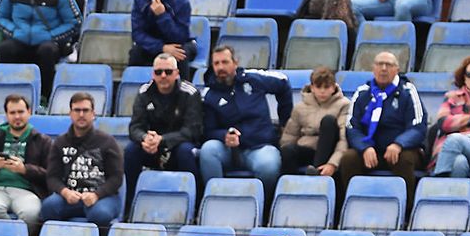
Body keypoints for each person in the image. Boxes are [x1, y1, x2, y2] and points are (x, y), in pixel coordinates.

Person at [196, 44, 291, 201]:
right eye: (216, 63)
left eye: (225, 62)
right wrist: (224, 136)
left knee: (268, 165)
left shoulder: (252, 79)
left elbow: (283, 82)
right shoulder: (209, 95)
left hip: (259, 147)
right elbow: (207, 130)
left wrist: (285, 122)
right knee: (208, 150)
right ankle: (216, 201)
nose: (220, 67)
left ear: (235, 62)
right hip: (227, 149)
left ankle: (261, 207)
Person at [0, 0, 82, 99]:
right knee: (5, 49)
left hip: (47, 43)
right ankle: (9, 95)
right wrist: (15, 32)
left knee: (47, 51)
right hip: (19, 40)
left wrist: (50, 36)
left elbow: (74, 22)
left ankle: (45, 96)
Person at [342, 51, 425, 200]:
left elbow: (418, 126)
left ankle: (406, 212)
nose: (384, 68)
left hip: (401, 149)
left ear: (397, 70)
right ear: (373, 68)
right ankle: (353, 206)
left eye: (389, 65)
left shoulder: (408, 91)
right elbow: (352, 127)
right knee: (349, 159)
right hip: (371, 150)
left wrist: (399, 144)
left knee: (404, 159)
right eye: (380, 64)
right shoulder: (362, 93)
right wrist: (364, 147)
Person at [39, 91, 122, 230]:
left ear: (93, 114)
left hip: (103, 197)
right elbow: (52, 177)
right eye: (77, 110)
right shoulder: (60, 142)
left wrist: (96, 195)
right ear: (70, 114)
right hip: (70, 197)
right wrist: (65, 192)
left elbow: (116, 178)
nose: (81, 114)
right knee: (48, 207)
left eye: (85, 110)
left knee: (99, 214)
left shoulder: (108, 142)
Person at [127, 56, 203, 204]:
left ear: (177, 73)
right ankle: (129, 205)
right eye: (158, 72)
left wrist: (162, 140)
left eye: (168, 72)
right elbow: (135, 127)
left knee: (185, 151)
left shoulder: (190, 93)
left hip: (179, 145)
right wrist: (144, 139)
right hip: (152, 147)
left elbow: (193, 131)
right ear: (153, 74)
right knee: (131, 151)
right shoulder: (144, 92)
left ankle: (194, 205)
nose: (163, 76)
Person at [0, 92, 51, 234]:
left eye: (21, 112)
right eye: (12, 112)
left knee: (31, 214)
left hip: (27, 191)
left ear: (29, 112)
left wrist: (25, 169)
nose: (17, 116)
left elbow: (50, 175)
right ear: (6, 115)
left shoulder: (42, 141)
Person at [279, 65, 349, 185]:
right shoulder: (300, 107)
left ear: (333, 88)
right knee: (288, 151)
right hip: (308, 149)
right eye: (318, 87)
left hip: (330, 149)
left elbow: (343, 139)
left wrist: (333, 163)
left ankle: (316, 172)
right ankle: (290, 188)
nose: (322, 91)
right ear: (312, 87)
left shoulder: (344, 105)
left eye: (326, 87)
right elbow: (289, 136)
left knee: (328, 121)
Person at [130, 0, 196, 72]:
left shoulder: (182, 2)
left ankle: (182, 87)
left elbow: (180, 36)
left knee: (180, 55)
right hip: (152, 43)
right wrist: (161, 47)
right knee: (136, 53)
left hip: (177, 43)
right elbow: (137, 34)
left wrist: (162, 16)